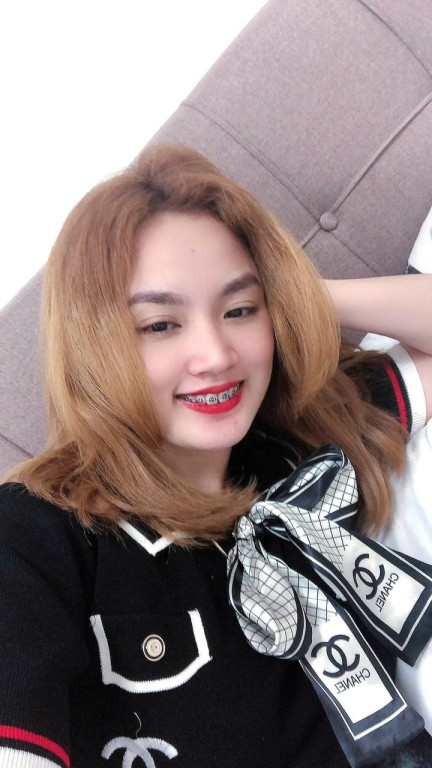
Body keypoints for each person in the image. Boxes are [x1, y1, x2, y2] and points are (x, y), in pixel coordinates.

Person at [0, 144, 431, 768]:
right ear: (95, 343)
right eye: (160, 324)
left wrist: (298, 293)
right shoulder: (36, 536)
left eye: (239, 310)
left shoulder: (301, 445)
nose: (216, 355)